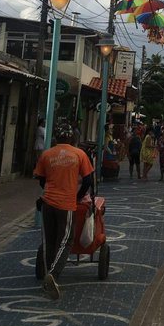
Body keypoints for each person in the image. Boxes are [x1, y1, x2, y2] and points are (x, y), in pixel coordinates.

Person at [34, 123, 93, 301]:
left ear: (55, 138)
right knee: (66, 240)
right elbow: (88, 180)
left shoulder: (47, 154)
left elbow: (41, 179)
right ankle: (53, 274)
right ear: (72, 138)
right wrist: (78, 196)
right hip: (66, 203)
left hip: (47, 202)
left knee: (48, 241)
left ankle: (46, 273)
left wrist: (50, 189)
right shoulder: (79, 154)